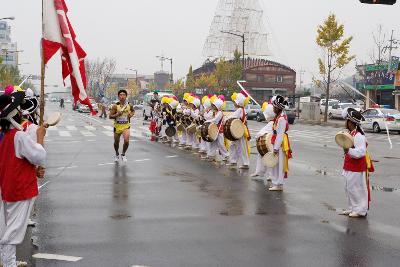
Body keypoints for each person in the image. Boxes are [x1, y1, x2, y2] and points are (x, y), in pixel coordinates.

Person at [0, 92, 47, 267]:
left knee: (6, 227)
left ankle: (8, 261)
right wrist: (41, 136)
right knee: (12, 231)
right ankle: (9, 263)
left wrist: (33, 170)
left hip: (8, 187)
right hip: (20, 189)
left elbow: (14, 161)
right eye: (19, 109)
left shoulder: (4, 135)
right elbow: (38, 156)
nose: (22, 111)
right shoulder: (19, 136)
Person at [339, 108, 374, 218]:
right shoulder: (351, 134)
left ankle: (360, 210)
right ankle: (352, 208)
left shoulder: (359, 136)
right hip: (349, 165)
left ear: (351, 123)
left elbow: (361, 152)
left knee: (355, 188)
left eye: (347, 121)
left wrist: (348, 150)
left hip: (356, 166)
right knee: (348, 187)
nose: (346, 123)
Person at [269, 95, 292, 191]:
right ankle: (276, 183)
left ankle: (279, 184)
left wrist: (275, 148)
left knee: (280, 164)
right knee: (276, 163)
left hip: (281, 143)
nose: (273, 108)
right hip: (277, 141)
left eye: (274, 107)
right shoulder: (279, 116)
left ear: (278, 108)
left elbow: (280, 135)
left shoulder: (281, 118)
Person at [251, 97, 276, 183]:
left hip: (273, 143)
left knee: (271, 159)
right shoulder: (273, 122)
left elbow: (262, 132)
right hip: (271, 142)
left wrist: (257, 136)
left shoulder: (273, 122)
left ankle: (271, 175)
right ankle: (260, 172)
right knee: (263, 155)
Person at [226, 92, 251, 169]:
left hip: (240, 131)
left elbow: (232, 117)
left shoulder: (240, 109)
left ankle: (245, 163)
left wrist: (225, 118)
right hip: (239, 130)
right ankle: (233, 161)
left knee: (241, 147)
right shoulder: (242, 109)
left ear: (238, 102)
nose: (234, 103)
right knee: (233, 146)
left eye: (234, 102)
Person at [109, 90, 135, 163]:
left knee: (126, 141)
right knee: (116, 142)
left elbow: (133, 111)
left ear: (126, 96)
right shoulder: (115, 106)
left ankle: (123, 154)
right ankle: (117, 153)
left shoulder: (129, 105)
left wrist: (131, 115)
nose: (122, 96)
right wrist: (117, 114)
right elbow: (110, 116)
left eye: (124, 95)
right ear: (118, 96)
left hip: (126, 125)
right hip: (117, 126)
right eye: (120, 95)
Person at [205, 97, 229, 162]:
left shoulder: (220, 113)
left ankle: (226, 156)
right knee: (213, 142)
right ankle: (211, 155)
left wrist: (208, 121)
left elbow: (216, 120)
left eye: (214, 105)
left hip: (219, 130)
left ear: (217, 106)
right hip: (215, 129)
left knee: (221, 143)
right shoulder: (215, 112)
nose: (212, 106)